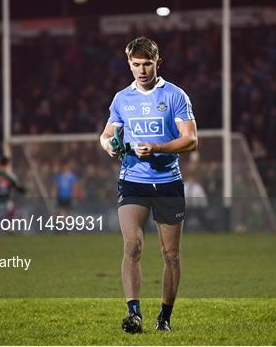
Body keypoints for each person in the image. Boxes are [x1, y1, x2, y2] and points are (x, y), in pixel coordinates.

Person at [99, 36, 198, 333]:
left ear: (158, 63)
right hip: (133, 182)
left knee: (171, 255)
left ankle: (164, 318)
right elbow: (106, 135)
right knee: (132, 245)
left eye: (146, 64)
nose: (141, 70)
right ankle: (135, 314)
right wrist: (109, 146)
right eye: (135, 64)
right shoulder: (121, 99)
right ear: (129, 63)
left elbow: (191, 140)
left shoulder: (176, 95)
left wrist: (156, 148)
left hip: (168, 182)